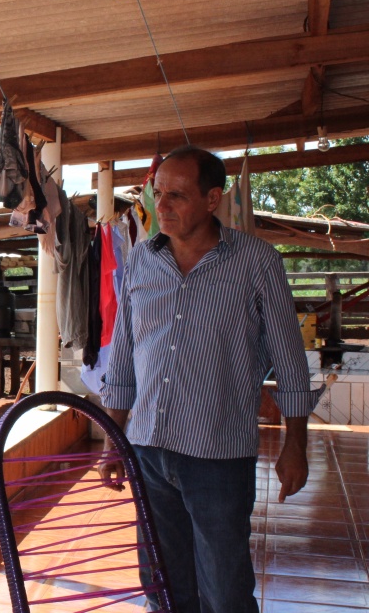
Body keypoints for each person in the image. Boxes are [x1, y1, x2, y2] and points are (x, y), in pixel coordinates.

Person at [99, 146, 321, 613]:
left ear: (212, 198)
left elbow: (289, 359)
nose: (163, 207)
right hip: (148, 450)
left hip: (218, 456)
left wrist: (296, 445)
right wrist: (111, 442)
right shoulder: (140, 261)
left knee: (225, 590)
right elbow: (122, 359)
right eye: (159, 194)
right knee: (162, 584)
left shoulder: (257, 262)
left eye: (177, 195)